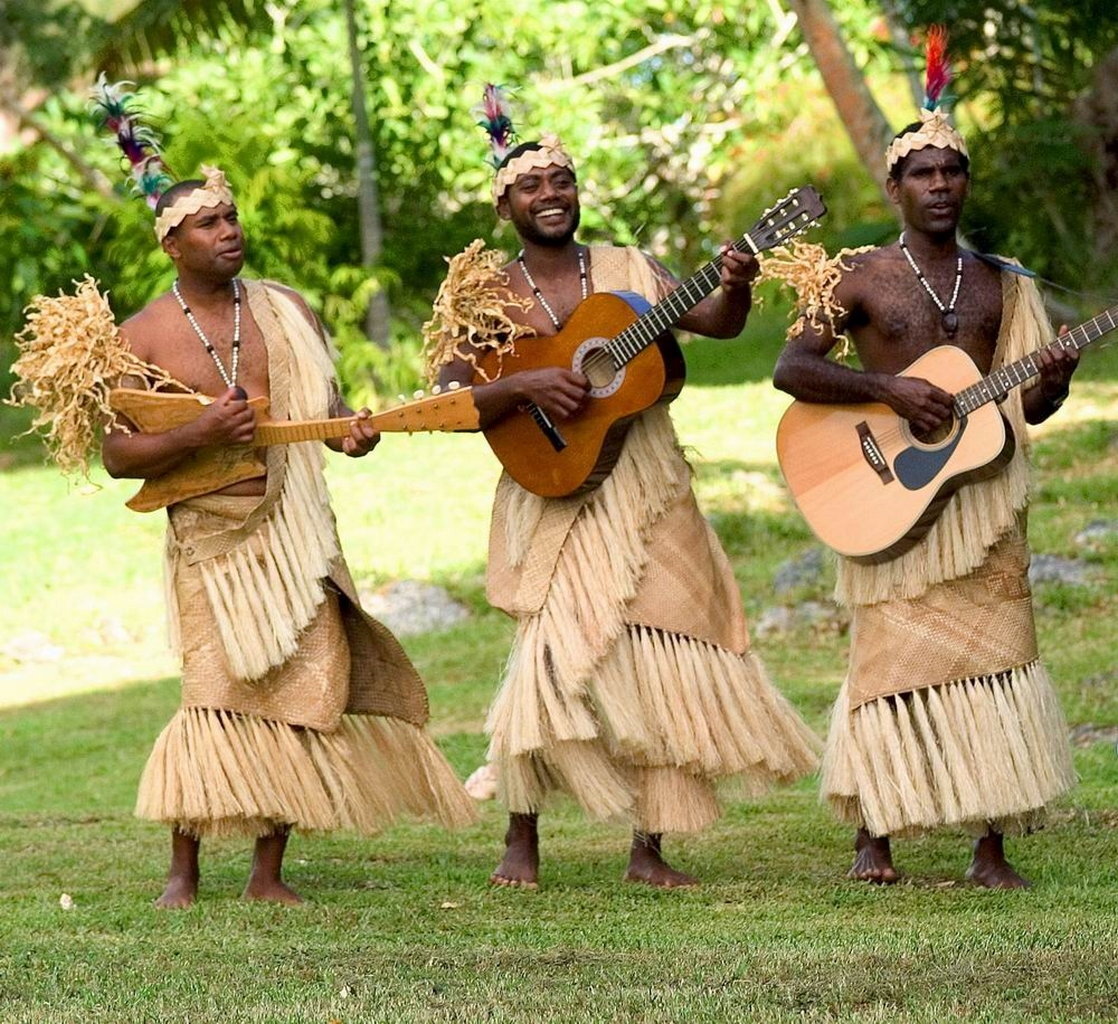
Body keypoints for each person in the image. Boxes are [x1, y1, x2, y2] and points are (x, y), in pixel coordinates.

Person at [424, 134, 819, 889]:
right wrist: (525, 389)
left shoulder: (631, 271)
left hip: (647, 485)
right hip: (550, 484)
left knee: (663, 651)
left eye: (562, 180)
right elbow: (448, 397)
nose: (550, 194)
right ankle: (521, 835)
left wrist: (736, 283)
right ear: (504, 204)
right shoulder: (488, 294)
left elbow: (718, 323)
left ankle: (650, 848)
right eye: (531, 184)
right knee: (551, 658)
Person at [102, 168, 475, 907]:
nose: (230, 231)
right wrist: (205, 430)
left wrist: (354, 435)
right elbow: (117, 457)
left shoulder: (286, 310)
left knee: (304, 693)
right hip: (210, 539)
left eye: (232, 217)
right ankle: (184, 868)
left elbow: (328, 413)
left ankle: (268, 872)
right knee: (213, 696)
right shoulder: (139, 334)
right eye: (209, 224)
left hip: (298, 528)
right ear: (172, 244)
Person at [771, 76, 1079, 887]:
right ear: (895, 187)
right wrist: (886, 388)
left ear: (966, 182)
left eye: (953, 171)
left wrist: (1057, 378)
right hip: (888, 495)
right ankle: (875, 828)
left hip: (980, 494)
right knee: (886, 661)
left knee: (997, 656)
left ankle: (990, 841)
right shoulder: (859, 275)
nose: (940, 185)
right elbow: (791, 368)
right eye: (924, 172)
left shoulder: (1003, 282)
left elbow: (1031, 407)